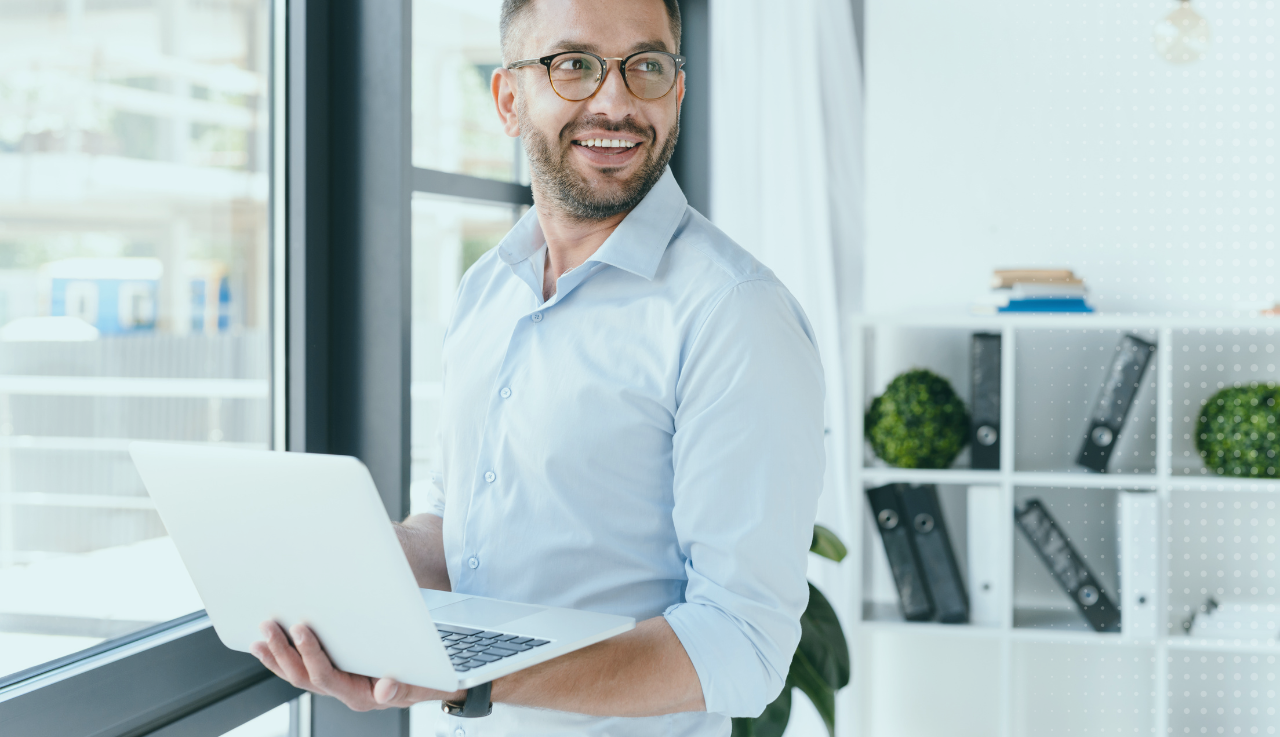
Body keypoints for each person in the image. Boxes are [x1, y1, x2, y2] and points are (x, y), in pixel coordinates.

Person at [249, 0, 826, 734]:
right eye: (574, 65)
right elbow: (460, 533)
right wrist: (351, 560)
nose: (615, 103)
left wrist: (472, 674)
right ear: (509, 99)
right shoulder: (487, 289)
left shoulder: (733, 313)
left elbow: (744, 646)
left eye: (646, 67)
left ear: (677, 91)